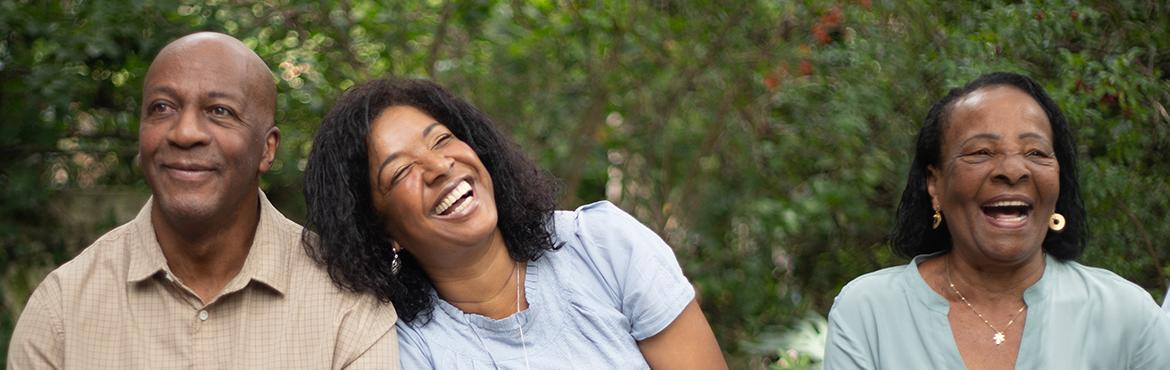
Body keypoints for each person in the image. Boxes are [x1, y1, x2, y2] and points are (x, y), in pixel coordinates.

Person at [7, 32, 398, 369]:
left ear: (267, 148)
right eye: (162, 108)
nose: (186, 132)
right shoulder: (62, 311)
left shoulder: (348, 305)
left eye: (219, 111)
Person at [302, 78, 727, 369]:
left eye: (443, 139)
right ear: (382, 231)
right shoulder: (407, 349)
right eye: (400, 173)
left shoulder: (603, 246)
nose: (439, 166)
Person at [822, 72, 1170, 369]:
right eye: (981, 152)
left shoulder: (1125, 314)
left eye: (1035, 153)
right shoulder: (869, 312)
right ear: (934, 184)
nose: (1013, 170)